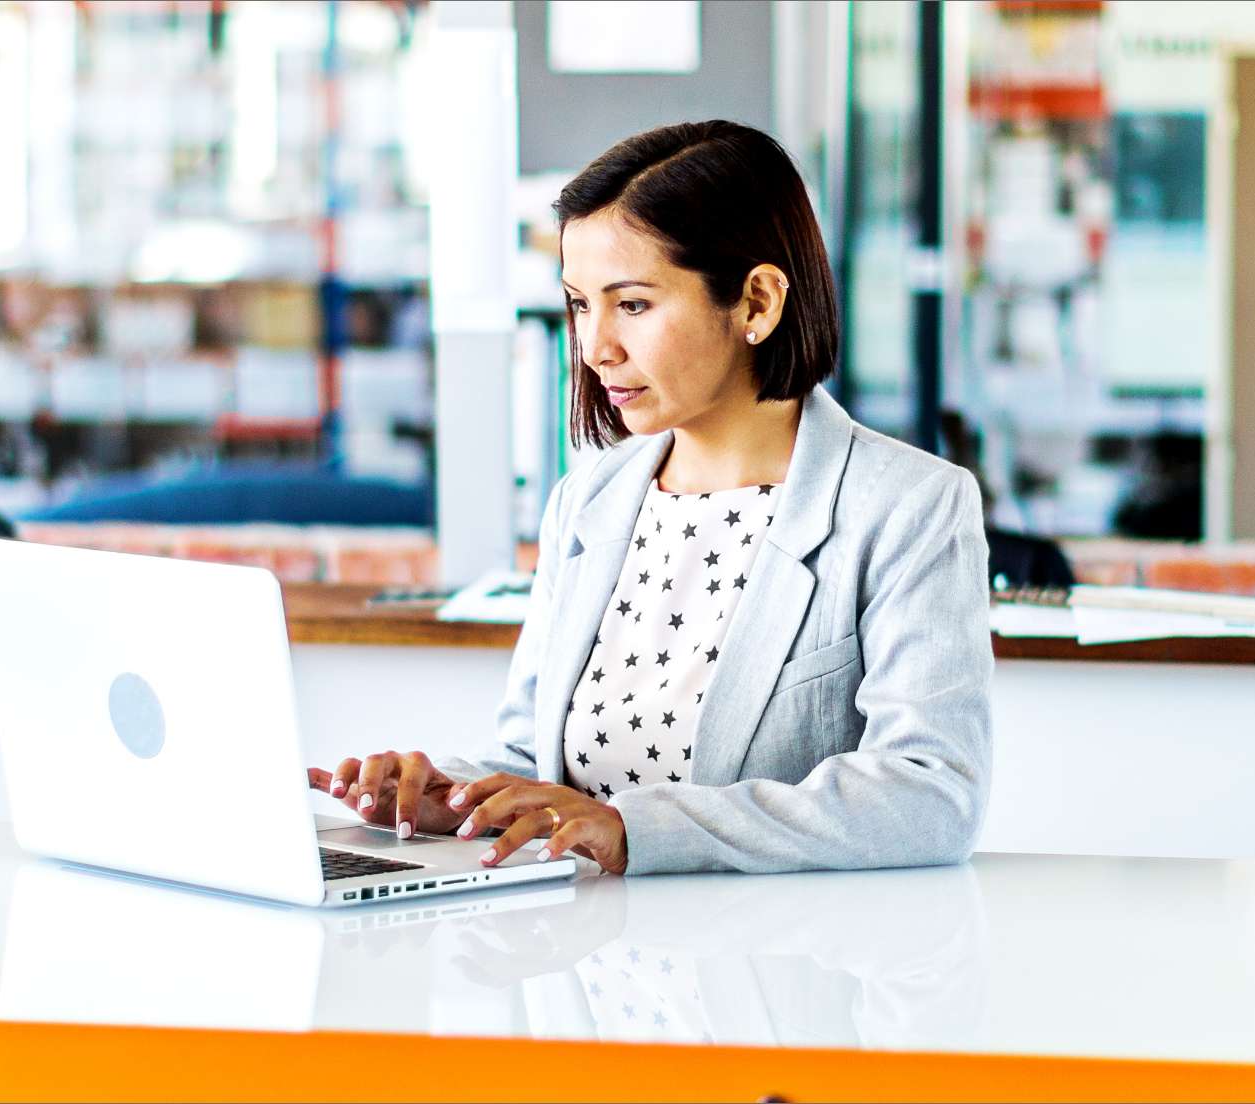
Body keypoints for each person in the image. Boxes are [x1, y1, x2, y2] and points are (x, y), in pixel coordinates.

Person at [305, 121, 996, 876]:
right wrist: (453, 799)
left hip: (769, 970)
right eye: (578, 305)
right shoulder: (589, 500)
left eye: (631, 304)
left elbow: (928, 796)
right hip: (584, 962)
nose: (595, 346)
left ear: (757, 303)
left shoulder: (906, 506)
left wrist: (635, 829)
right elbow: (534, 762)